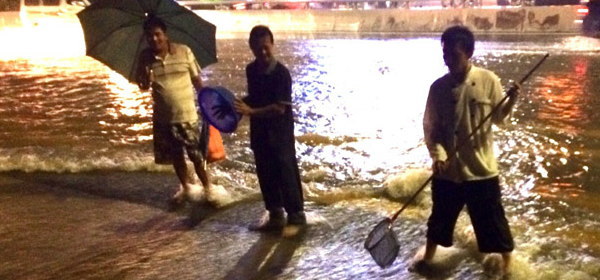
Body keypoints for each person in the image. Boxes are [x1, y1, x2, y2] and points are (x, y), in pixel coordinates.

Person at [411, 25, 519, 277]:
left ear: (468, 53)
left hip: (481, 170)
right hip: (448, 171)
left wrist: (511, 100)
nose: (448, 60)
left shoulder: (489, 80)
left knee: (494, 223)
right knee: (439, 221)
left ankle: (508, 268)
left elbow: (500, 118)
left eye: (453, 55)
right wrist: (438, 156)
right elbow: (431, 128)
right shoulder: (437, 88)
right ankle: (427, 260)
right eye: (445, 54)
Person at [135, 16, 219, 208]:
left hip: (187, 116)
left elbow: (197, 82)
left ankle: (208, 189)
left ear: (165, 35)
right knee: (176, 157)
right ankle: (187, 188)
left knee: (197, 157)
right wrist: (143, 77)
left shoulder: (184, 51)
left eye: (157, 34)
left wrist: (208, 106)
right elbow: (143, 86)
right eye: (150, 36)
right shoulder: (145, 58)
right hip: (163, 119)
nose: (154, 39)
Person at [234, 25, 306, 233]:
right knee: (265, 170)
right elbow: (255, 99)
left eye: (266, 47)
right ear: (251, 48)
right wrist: (239, 106)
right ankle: (275, 214)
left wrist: (250, 111)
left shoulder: (282, 74)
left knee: (286, 170)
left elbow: (279, 108)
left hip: (280, 131)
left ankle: (296, 216)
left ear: (272, 44)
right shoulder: (251, 70)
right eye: (258, 49)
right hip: (260, 131)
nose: (263, 52)